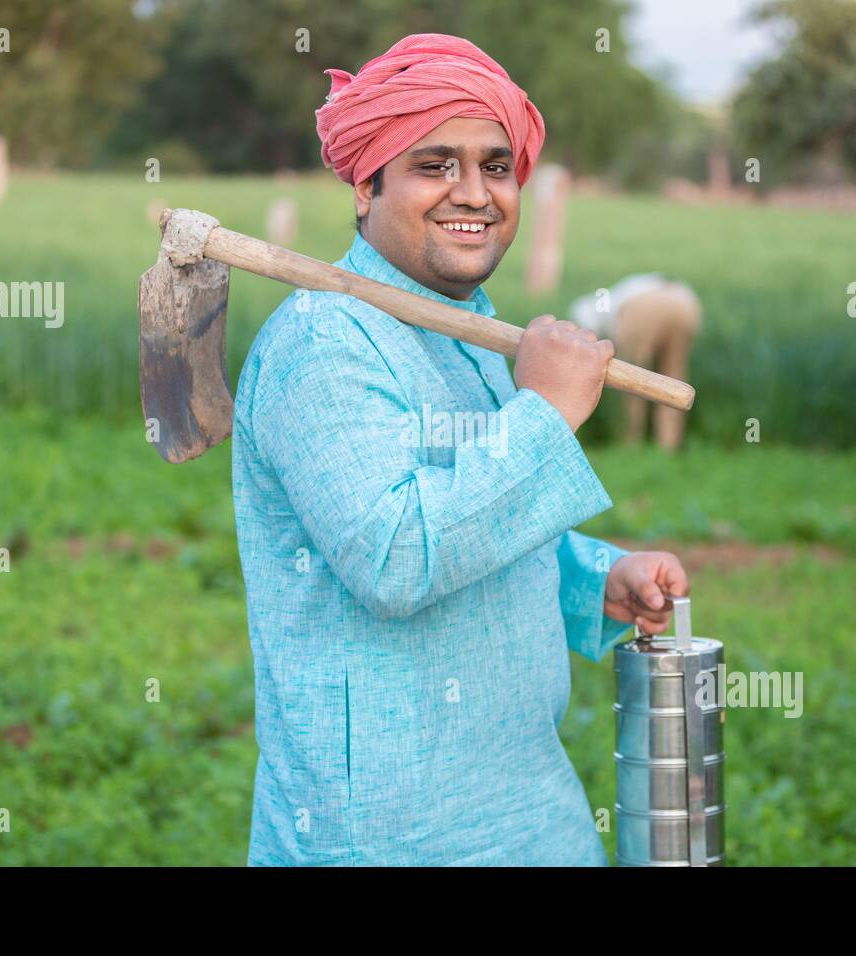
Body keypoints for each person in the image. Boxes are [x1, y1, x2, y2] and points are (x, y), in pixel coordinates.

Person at [231, 33, 689, 866]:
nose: (475, 192)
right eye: (435, 164)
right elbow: (395, 556)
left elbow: (476, 520)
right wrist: (545, 412)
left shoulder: (470, 332)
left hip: (529, 813)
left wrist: (592, 578)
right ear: (366, 185)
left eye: (497, 166)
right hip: (385, 835)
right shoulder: (322, 344)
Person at [570, 275, 703, 451]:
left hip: (642, 307)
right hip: (684, 300)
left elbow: (590, 346)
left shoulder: (584, 312)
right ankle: (669, 446)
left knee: (632, 382)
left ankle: (631, 444)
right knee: (674, 377)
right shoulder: (615, 293)